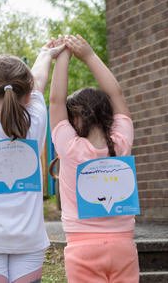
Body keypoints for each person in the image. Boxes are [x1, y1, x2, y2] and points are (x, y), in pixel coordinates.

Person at [0, 22, 66, 281]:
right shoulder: (37, 118)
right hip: (28, 239)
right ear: (27, 95)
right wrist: (46, 54)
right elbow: (39, 79)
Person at [50, 34, 139, 282]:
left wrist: (63, 56)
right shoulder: (121, 143)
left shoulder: (70, 149)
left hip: (82, 248)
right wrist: (88, 55)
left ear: (76, 117)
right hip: (123, 245)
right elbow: (117, 94)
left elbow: (55, 100)